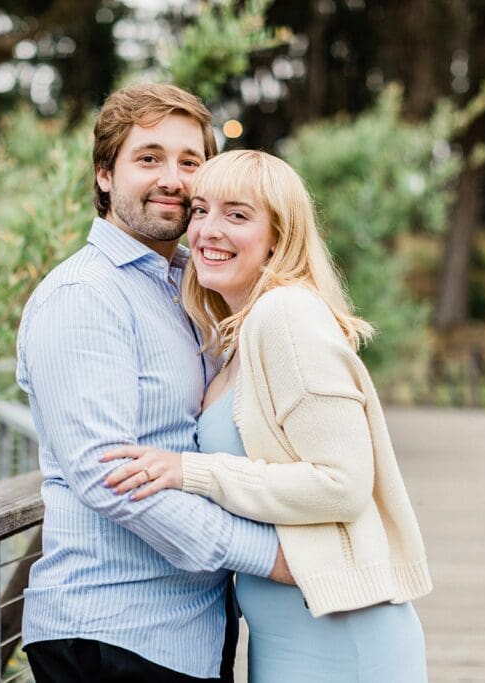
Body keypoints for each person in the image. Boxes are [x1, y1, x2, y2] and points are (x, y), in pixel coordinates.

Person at [102, 150, 433, 682]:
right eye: (201, 210)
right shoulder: (238, 338)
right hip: (289, 631)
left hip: (341, 637)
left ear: (278, 237)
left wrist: (193, 472)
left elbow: (343, 483)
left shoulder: (285, 317)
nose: (209, 230)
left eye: (237, 215)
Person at [15, 85, 293, 682]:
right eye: (149, 158)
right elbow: (106, 475)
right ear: (105, 175)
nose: (173, 178)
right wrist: (270, 556)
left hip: (191, 629)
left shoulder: (190, 289)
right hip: (113, 632)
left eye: (189, 161)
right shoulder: (82, 297)